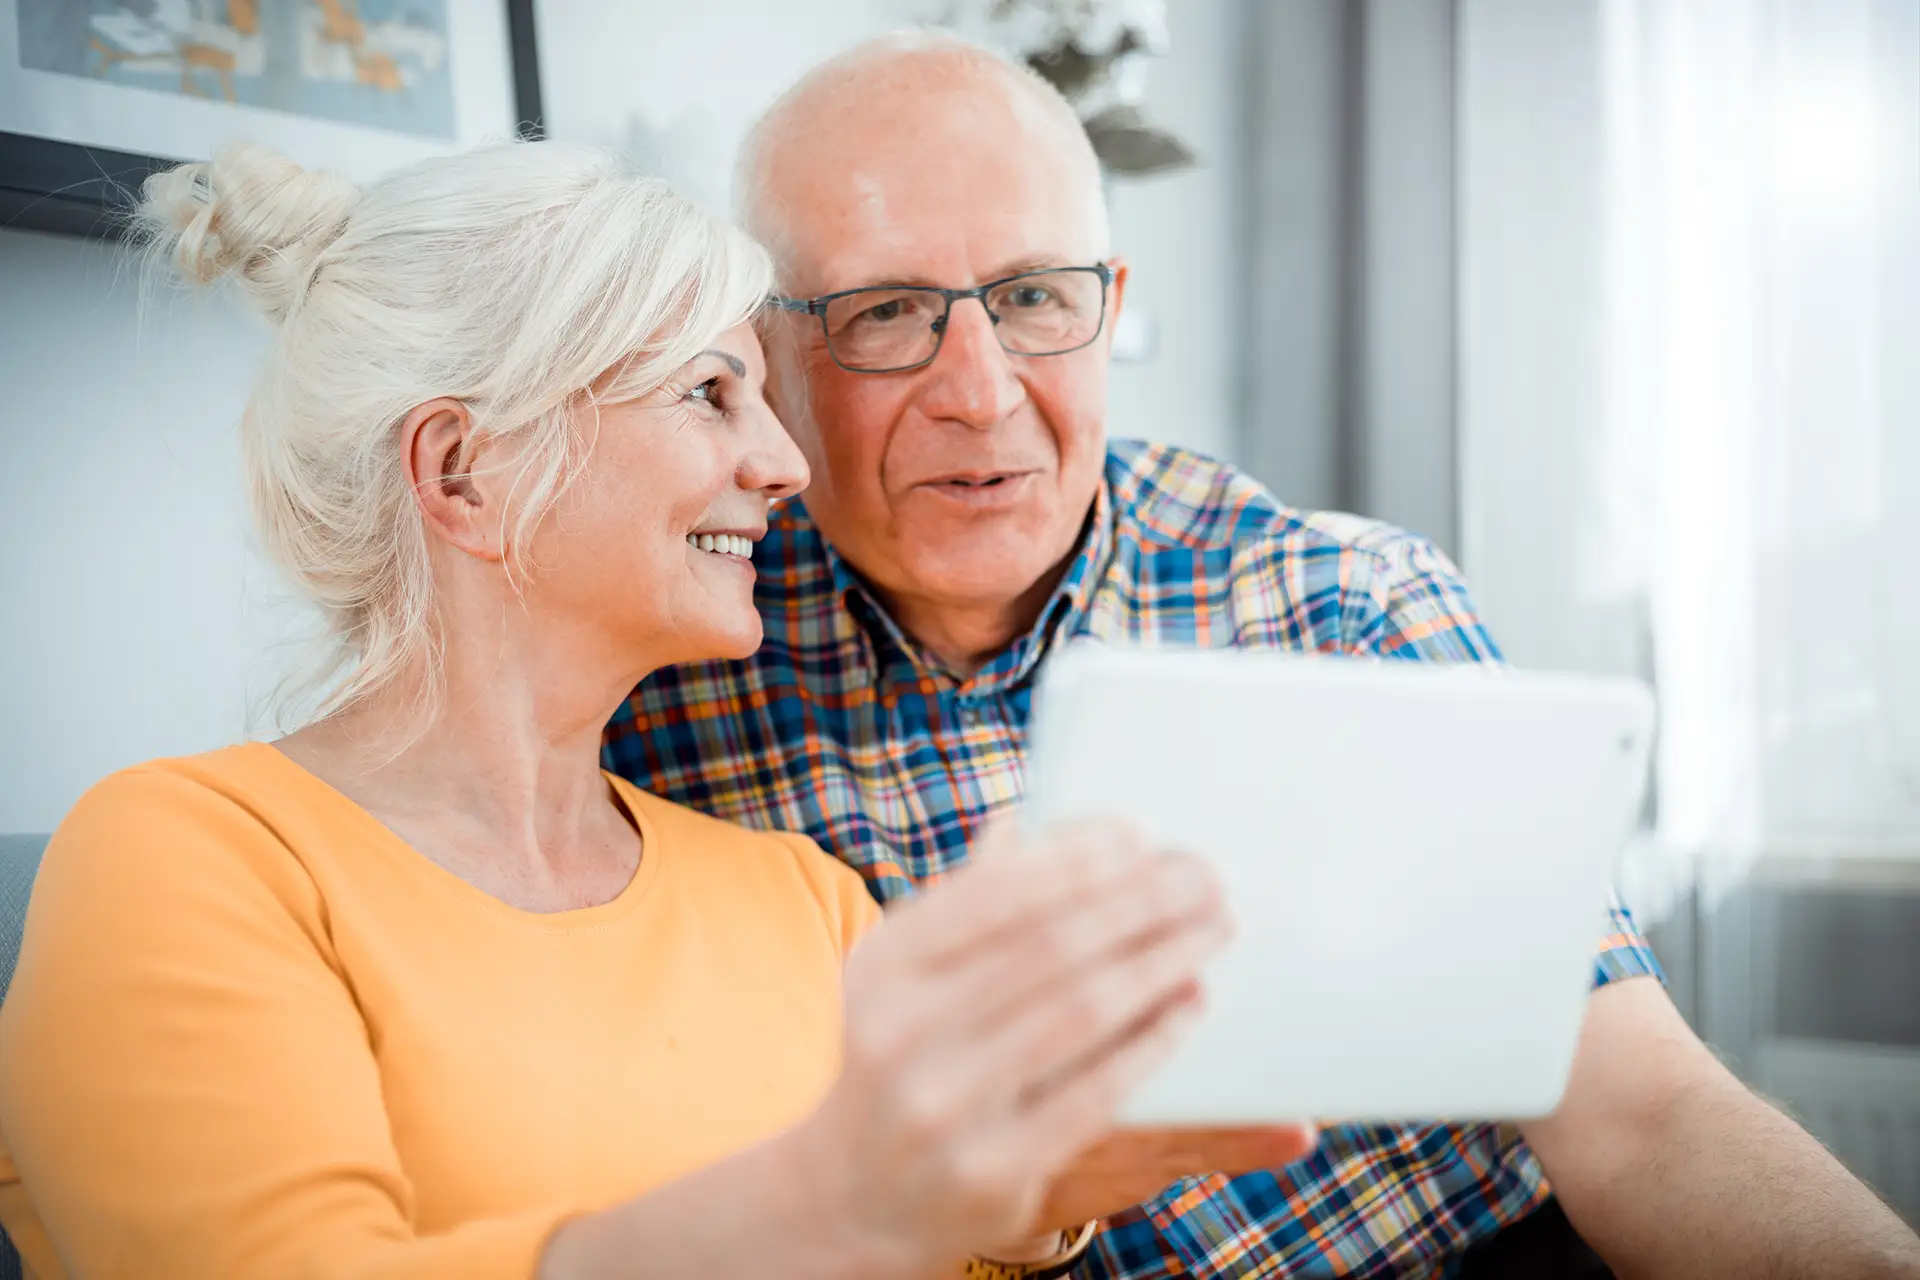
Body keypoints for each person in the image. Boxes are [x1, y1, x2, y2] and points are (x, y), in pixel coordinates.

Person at [604, 31, 1920, 1279]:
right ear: (766, 349)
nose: (982, 391)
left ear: (1111, 306)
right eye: (887, 312)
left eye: (1035, 298)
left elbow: (1641, 1114)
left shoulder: (1350, 607)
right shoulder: (666, 672)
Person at [0, 139, 1314, 1280]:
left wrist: (1022, 1207)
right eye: (708, 393)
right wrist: (834, 1199)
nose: (784, 464)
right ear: (462, 473)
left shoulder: (804, 902)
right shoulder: (187, 858)